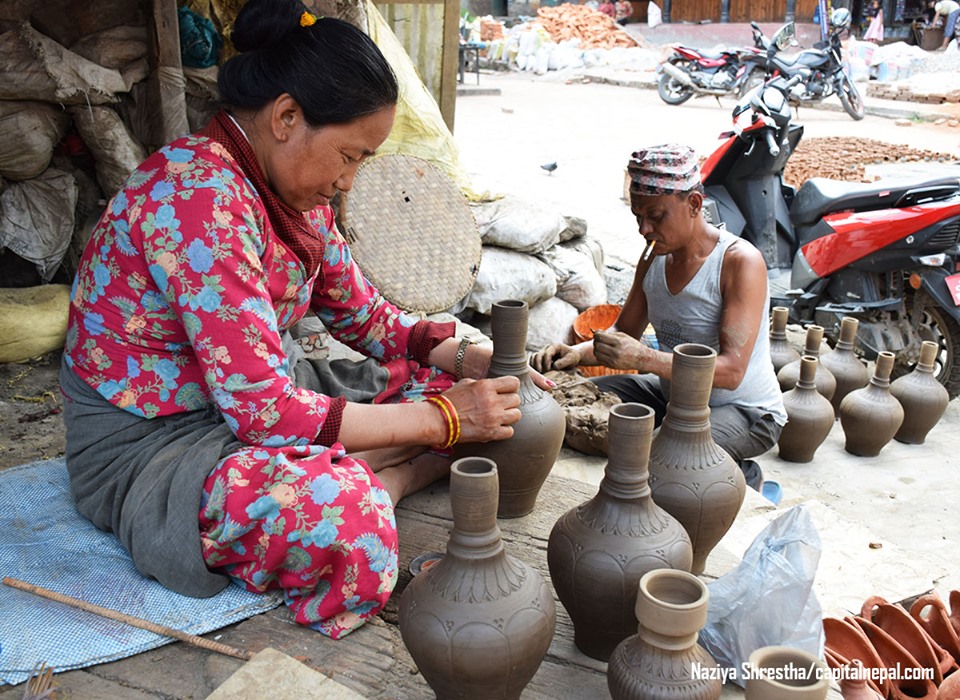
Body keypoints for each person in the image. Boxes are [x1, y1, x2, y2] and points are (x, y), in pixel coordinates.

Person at [60, 0, 534, 640]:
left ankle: (386, 463)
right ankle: (390, 481)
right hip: (154, 445)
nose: (349, 181)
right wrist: (445, 421)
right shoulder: (197, 201)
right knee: (354, 517)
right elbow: (265, 415)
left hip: (243, 405)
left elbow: (362, 314)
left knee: (436, 386)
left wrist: (462, 360)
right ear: (286, 117)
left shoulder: (289, 192)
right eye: (349, 155)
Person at [531, 144, 786, 489]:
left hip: (745, 410)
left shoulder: (739, 262)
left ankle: (739, 475)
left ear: (694, 204)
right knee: (570, 401)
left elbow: (731, 372)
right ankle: (704, 460)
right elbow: (625, 332)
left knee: (658, 458)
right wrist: (576, 353)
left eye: (656, 216)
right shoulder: (653, 257)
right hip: (672, 397)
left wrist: (645, 359)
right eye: (638, 217)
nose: (644, 229)